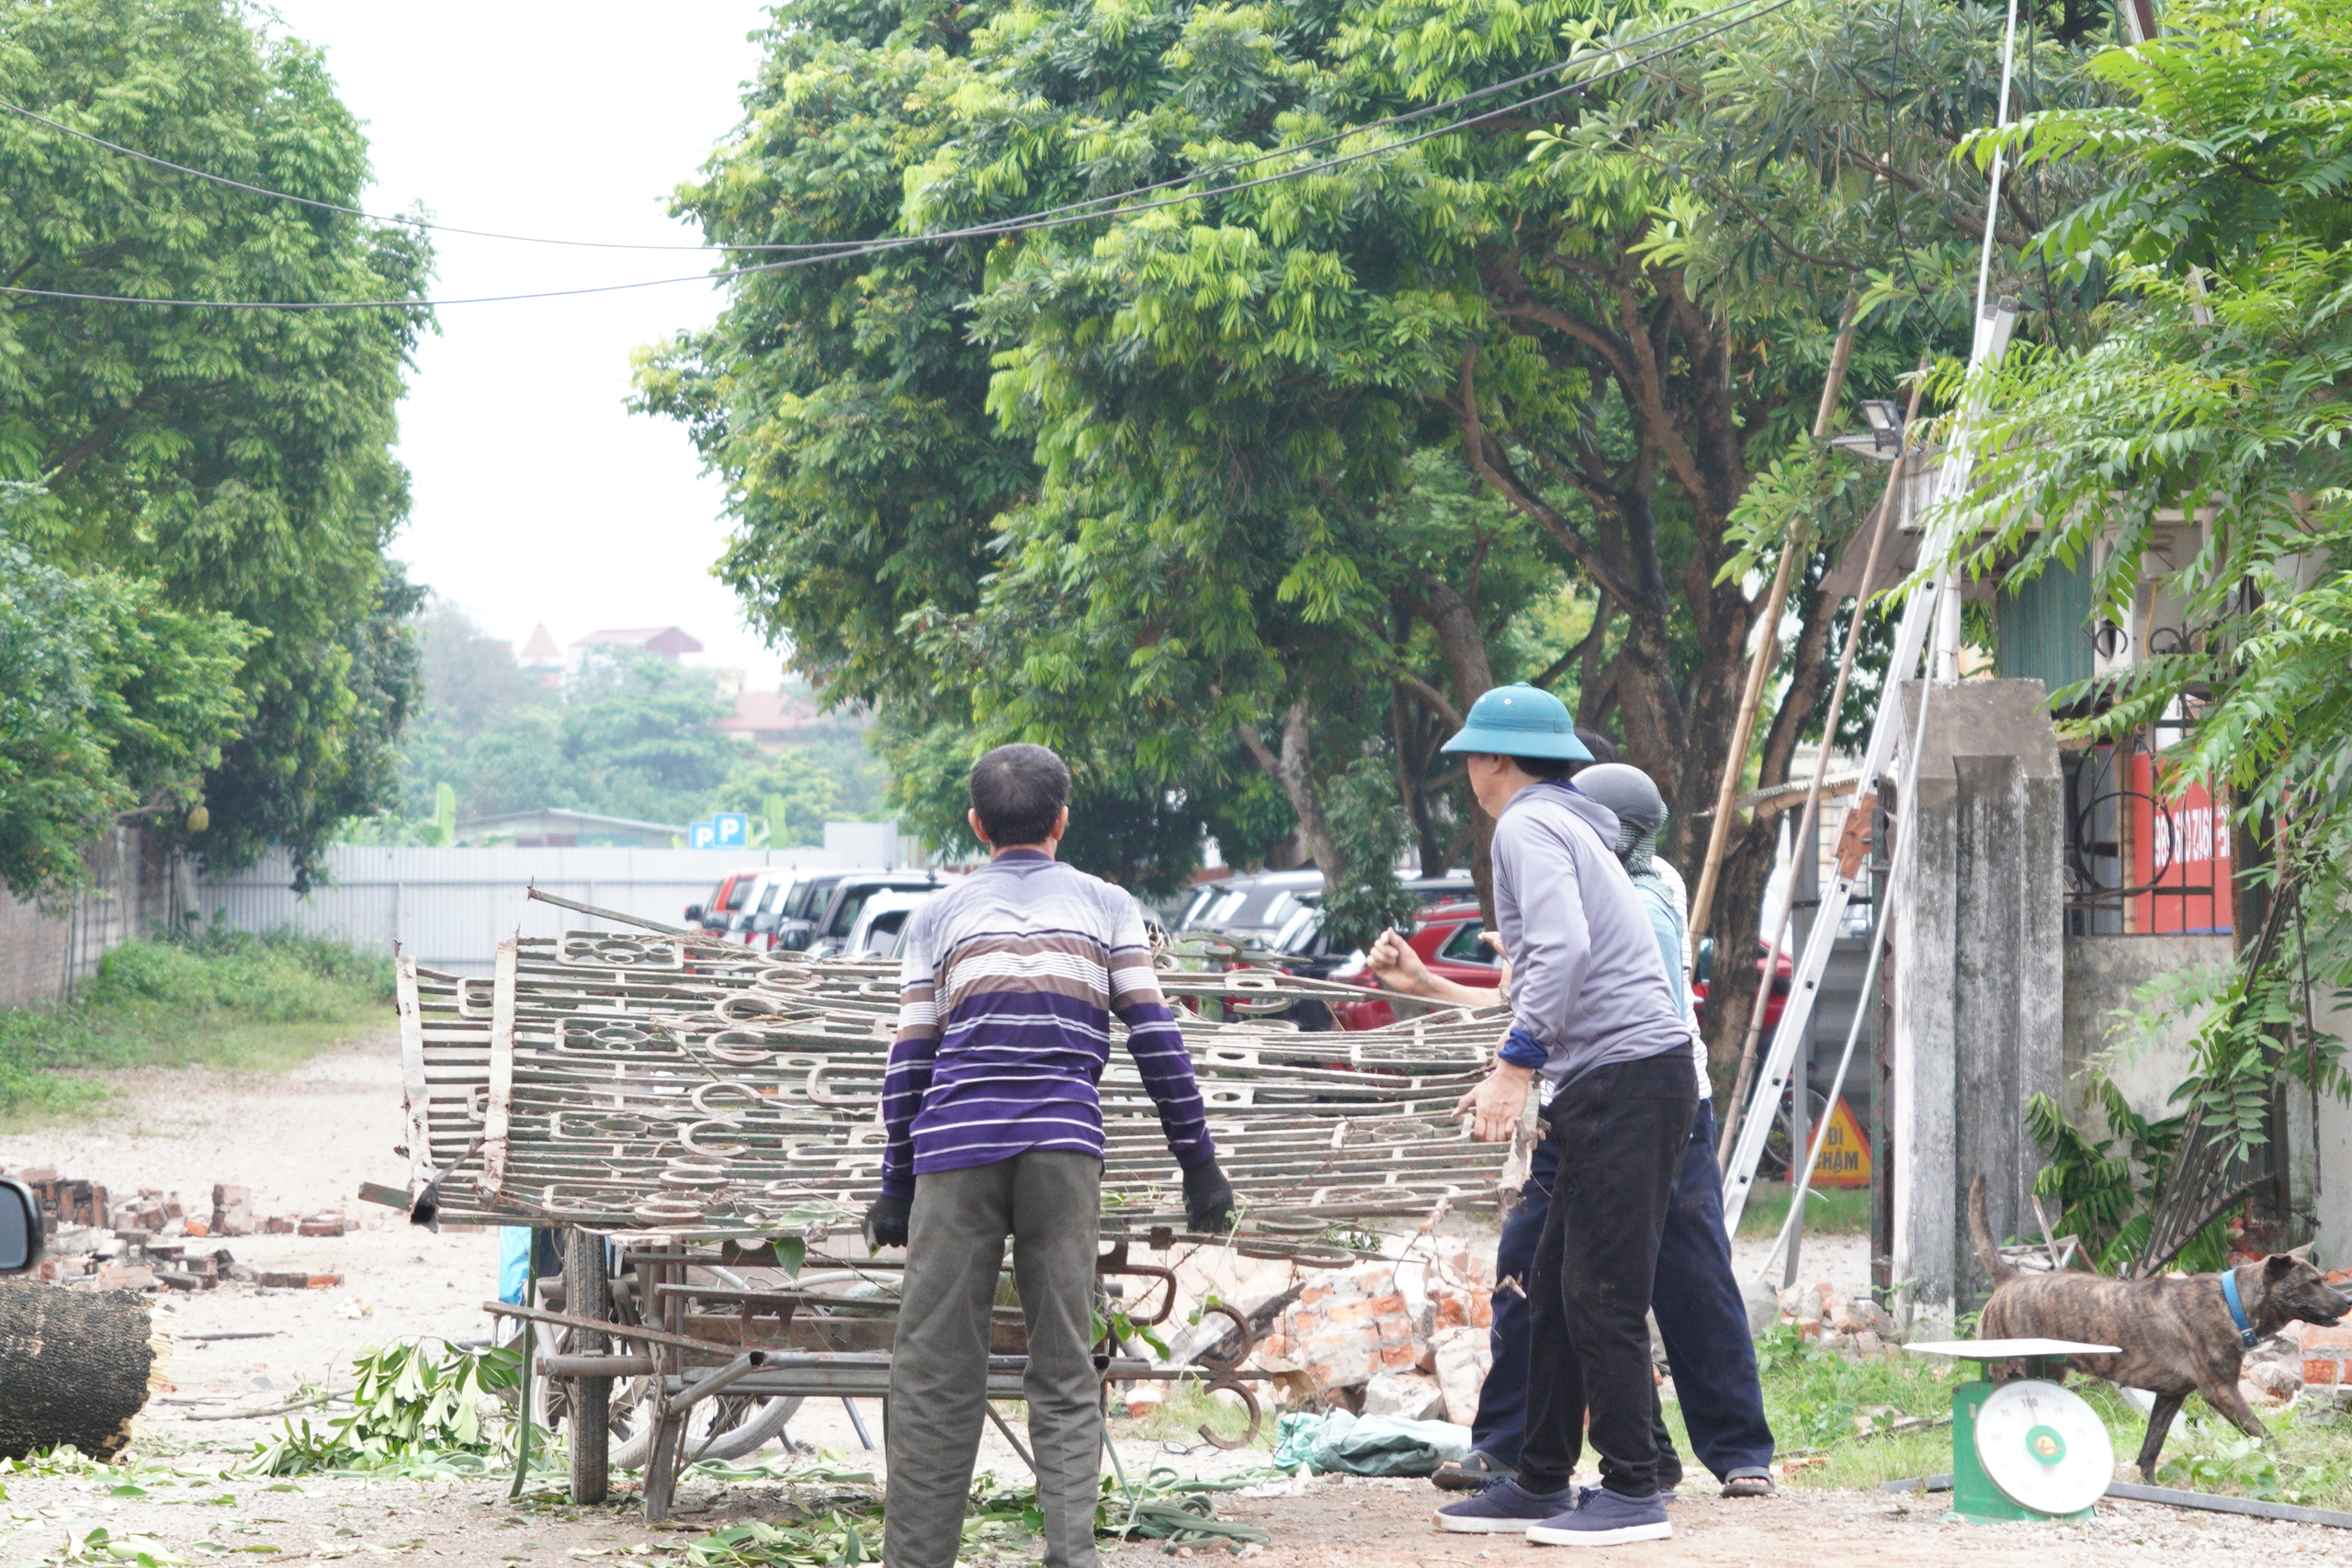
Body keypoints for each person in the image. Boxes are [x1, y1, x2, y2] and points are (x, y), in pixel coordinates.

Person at [867, 744, 1237, 1568]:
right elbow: (1157, 1040)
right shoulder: (1107, 906)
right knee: (1066, 1364)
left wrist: (895, 1185)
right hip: (1063, 1153)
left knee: (933, 1367)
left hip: (953, 1153)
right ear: (1063, 820)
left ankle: (918, 1560)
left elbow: (910, 1061)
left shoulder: (938, 916)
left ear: (975, 825)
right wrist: (1199, 1162)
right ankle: (1072, 1555)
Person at [1417, 686, 1698, 1548]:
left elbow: (1567, 950)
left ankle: (1631, 1488)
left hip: (1628, 1078)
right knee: (1545, 1286)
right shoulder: (1570, 819)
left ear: (1494, 759)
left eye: (1470, 754)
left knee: (1598, 1291)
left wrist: (1514, 1065)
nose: (1468, 769)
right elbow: (1555, 956)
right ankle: (1539, 1480)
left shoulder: (1527, 824)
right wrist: (1517, 1060)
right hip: (1611, 1080)